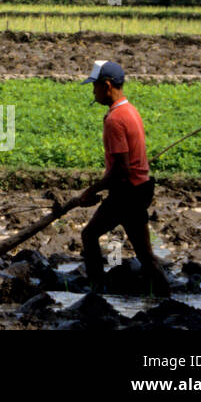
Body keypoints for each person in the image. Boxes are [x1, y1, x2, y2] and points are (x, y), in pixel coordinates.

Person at [78, 59, 171, 297]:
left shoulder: (115, 120)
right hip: (141, 188)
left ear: (107, 85)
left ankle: (97, 293)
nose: (93, 91)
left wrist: (91, 191)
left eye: (95, 86)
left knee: (89, 235)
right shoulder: (129, 111)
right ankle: (164, 296)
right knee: (144, 252)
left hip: (126, 192)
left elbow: (120, 169)